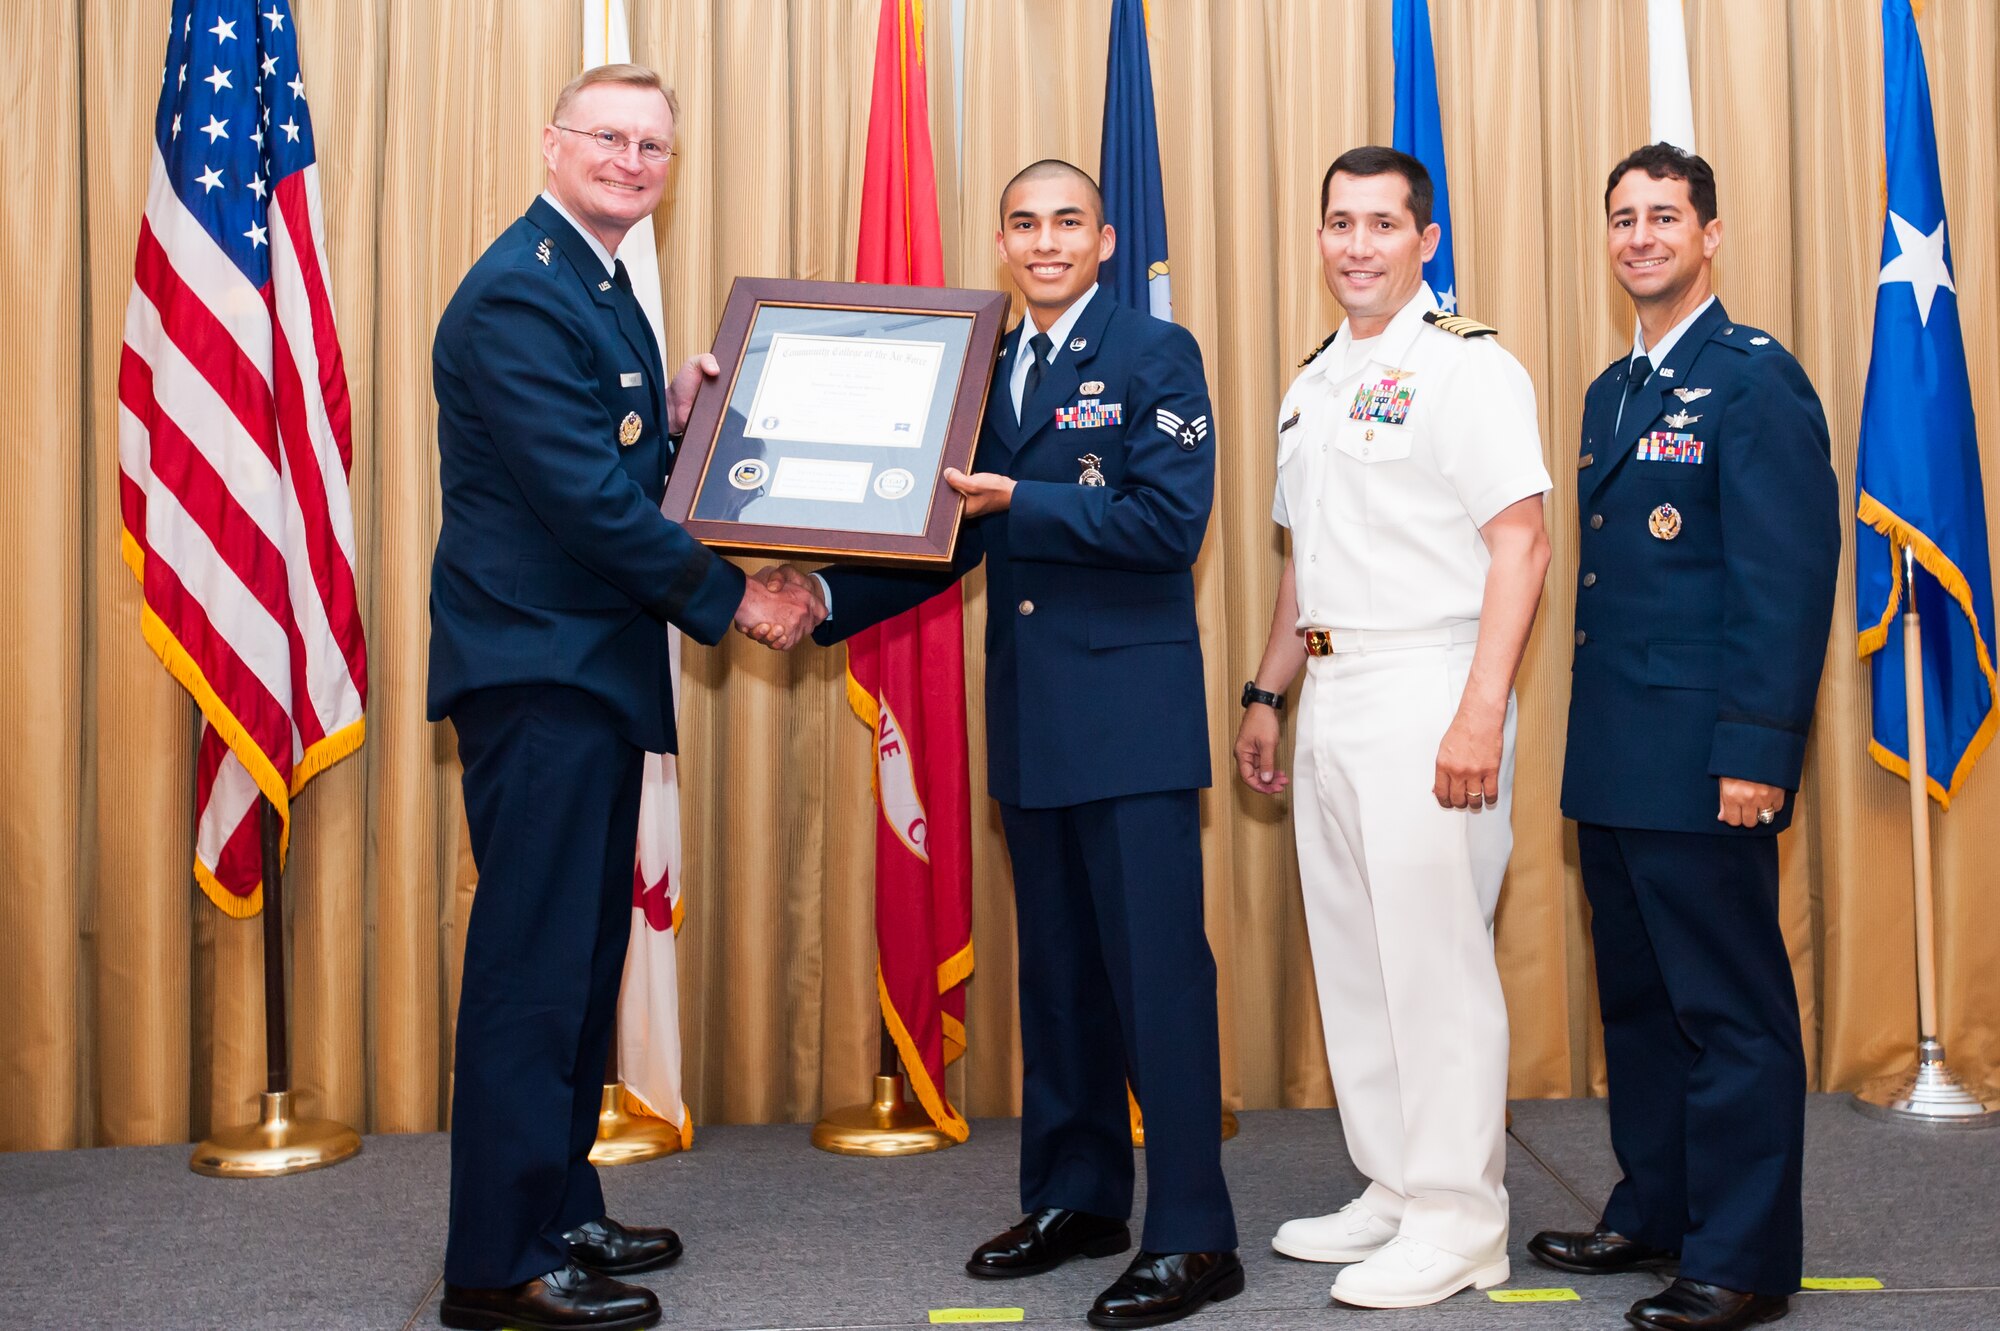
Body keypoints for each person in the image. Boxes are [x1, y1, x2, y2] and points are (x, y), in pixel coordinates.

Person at [771, 158, 1240, 1330]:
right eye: (1024, 224)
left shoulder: (1153, 354)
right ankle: (1077, 1196)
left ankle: (1194, 1232)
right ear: (1000, 242)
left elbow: (1167, 522)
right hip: (1033, 717)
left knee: (1156, 978)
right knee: (1061, 974)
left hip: (1130, 723)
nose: (1045, 242)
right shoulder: (983, 368)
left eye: (1067, 222)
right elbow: (945, 532)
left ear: (1104, 240)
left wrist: (1020, 499)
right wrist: (820, 595)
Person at [426, 63, 817, 1331]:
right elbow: (584, 501)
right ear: (553, 144)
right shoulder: (519, 292)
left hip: (584, 667)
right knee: (531, 971)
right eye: (608, 136)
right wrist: (734, 597)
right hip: (538, 669)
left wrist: (681, 421)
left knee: (580, 962)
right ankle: (497, 1263)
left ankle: (559, 1203)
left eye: (652, 145)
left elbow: (614, 458)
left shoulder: (591, 283)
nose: (631, 161)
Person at [1233, 146, 1552, 1310]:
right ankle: (1395, 1183)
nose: (1356, 244)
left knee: (1433, 963)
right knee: (1359, 958)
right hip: (1332, 685)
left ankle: (1461, 1219)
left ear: (1426, 239)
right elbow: (1301, 561)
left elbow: (1521, 543)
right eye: (1339, 222)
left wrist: (1478, 710)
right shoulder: (1315, 378)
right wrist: (1267, 692)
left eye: (1380, 223)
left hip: (1430, 680)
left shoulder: (1465, 367)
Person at [1527, 143, 1839, 1331]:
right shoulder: (1610, 389)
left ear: (1708, 234)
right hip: (1617, 754)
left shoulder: (1753, 378)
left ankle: (1741, 1258)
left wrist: (1756, 748)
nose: (1640, 235)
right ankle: (1655, 1207)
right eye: (1623, 217)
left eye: (1664, 215)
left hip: (1708, 760)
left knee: (1728, 1013)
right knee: (1641, 1006)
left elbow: (1783, 578)